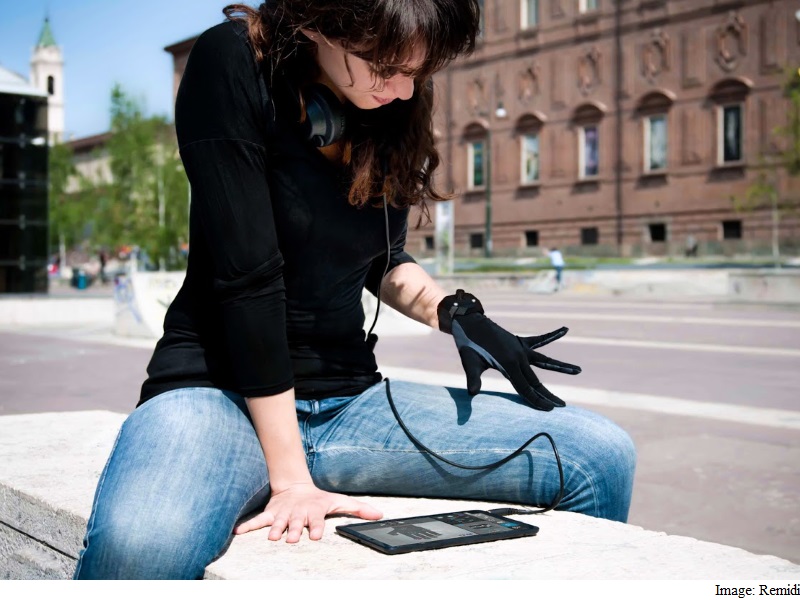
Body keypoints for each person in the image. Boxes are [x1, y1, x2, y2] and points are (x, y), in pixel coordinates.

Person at [74, 0, 635, 580]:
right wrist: (291, 480)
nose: (403, 90)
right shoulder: (232, 60)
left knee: (598, 454)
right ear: (322, 22)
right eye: (387, 67)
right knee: (139, 547)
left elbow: (383, 259)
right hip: (218, 394)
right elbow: (247, 277)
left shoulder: (385, 106)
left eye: (417, 73)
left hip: (347, 406)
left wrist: (459, 315)